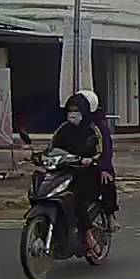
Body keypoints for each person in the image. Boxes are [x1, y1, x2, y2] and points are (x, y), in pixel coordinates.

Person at [51, 90, 116, 255]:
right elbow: (52, 148)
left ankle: (89, 233)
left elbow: (103, 150)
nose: (73, 114)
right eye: (70, 110)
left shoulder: (95, 130)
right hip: (65, 169)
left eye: (76, 110)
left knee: (78, 195)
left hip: (88, 170)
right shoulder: (63, 129)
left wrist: (100, 165)